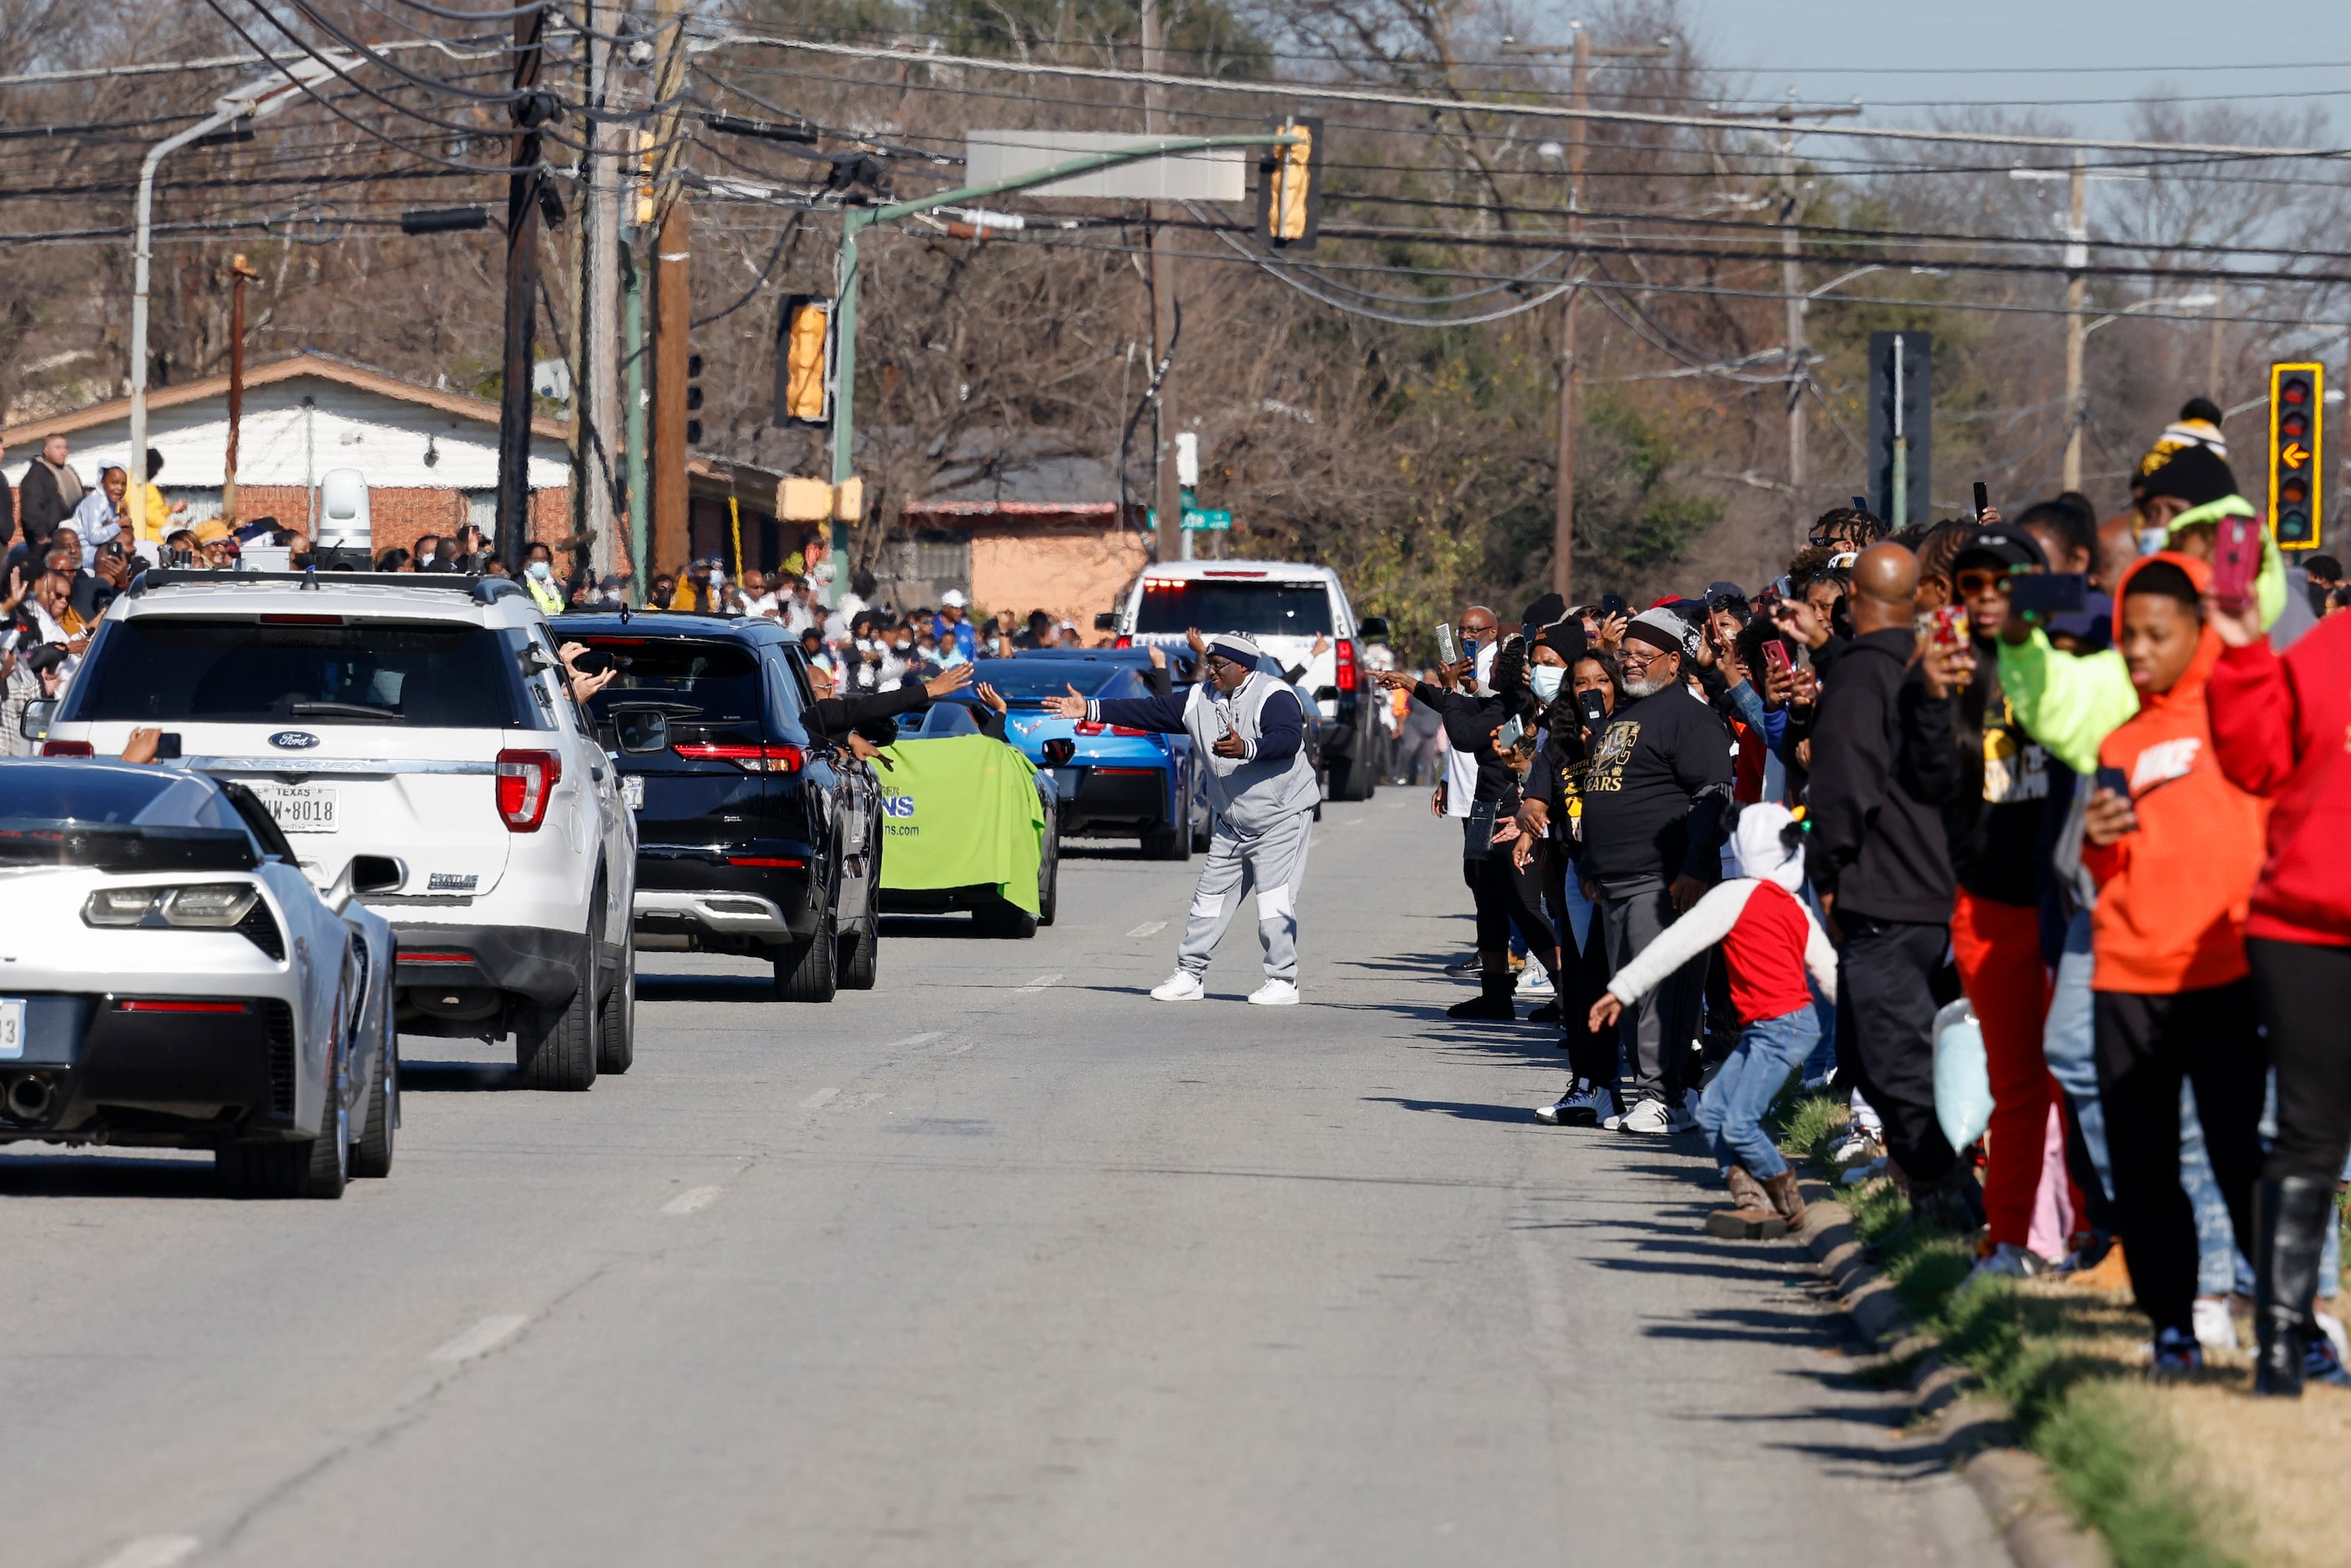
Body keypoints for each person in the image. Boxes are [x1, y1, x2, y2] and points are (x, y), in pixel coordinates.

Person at [2073, 553, 2269, 1377]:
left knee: (2240, 1161)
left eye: (2157, 634)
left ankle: (2290, 1327)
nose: (2138, 650)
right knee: (2145, 1167)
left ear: (2197, 627)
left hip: (2224, 969)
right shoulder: (2117, 739)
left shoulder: (2245, 715)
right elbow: (2094, 873)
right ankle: (2170, 1329)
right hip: (2126, 977)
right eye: (2125, 636)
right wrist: (2095, 836)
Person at [2204, 558, 2351, 1395]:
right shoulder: (2316, 654)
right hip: (2301, 927)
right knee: (2306, 1133)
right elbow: (2250, 762)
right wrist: (2237, 656)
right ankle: (2280, 1344)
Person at [1807, 543, 1976, 1226]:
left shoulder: (1863, 674)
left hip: (1881, 887)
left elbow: (1843, 786)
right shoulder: (1934, 662)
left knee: (1889, 1057)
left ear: (1852, 601)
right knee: (1925, 1046)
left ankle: (1950, 1199)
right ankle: (1935, 1193)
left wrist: (1828, 873)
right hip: (1943, 884)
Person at [1591, 802, 1836, 1236]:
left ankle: (1789, 1202)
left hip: (1783, 1028)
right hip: (1782, 1028)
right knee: (1714, 1111)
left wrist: (1621, 988)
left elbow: (1674, 945)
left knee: (1738, 1120)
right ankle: (1751, 1202)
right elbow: (1832, 975)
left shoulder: (1733, 896)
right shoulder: (1794, 905)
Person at [1044, 632, 1319, 1006]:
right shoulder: (1199, 698)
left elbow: (1287, 740)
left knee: (1273, 902)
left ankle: (1284, 981)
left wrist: (1247, 748)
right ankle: (1190, 975)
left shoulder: (1275, 696)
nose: (1210, 672)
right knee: (1207, 899)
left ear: (1242, 667)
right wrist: (1090, 709)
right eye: (1208, 664)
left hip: (1282, 816)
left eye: (1218, 665)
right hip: (1233, 821)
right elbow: (1149, 711)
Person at [1541, 605, 1733, 1133]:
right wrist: (1594, 866)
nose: (1629, 665)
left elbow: (1713, 795)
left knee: (1663, 993)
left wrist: (1695, 866)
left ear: (1673, 662)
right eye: (1625, 655)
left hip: (1666, 879)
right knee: (1632, 991)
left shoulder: (1690, 718)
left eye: (1641, 657)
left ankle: (1667, 1097)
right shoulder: (1624, 716)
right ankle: (1649, 1093)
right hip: (1613, 882)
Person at [1941, 524, 2066, 1282]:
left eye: (2004, 583)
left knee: (2081, 1083)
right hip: (1988, 903)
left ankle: (2086, 1240)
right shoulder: (1955, 676)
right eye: (1971, 586)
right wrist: (1928, 694)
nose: (1987, 600)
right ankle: (2010, 1237)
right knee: (2017, 1084)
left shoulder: (2069, 665)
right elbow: (1930, 784)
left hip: (2070, 902)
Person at [16, 434, 83, 554]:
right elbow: (31, 509)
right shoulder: (36, 476)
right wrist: (41, 536)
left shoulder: (68, 471)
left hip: (71, 536)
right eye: (58, 448)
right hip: (48, 542)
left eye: (65, 448)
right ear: (46, 450)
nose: (64, 452)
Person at [69, 467, 128, 568]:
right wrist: (118, 524)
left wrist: (123, 514)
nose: (120, 488)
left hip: (104, 546)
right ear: (103, 483)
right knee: (112, 560)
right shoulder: (95, 503)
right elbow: (94, 537)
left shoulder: (112, 503)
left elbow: (124, 534)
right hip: (86, 552)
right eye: (115, 483)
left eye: (123, 484)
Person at [933, 589, 978, 663]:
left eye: (961, 608)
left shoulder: (967, 628)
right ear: (945, 608)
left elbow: (973, 654)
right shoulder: (931, 627)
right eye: (956, 608)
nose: (960, 612)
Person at [521, 542, 565, 614]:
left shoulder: (555, 585)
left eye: (543, 559)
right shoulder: (520, 585)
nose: (540, 563)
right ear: (528, 561)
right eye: (536, 559)